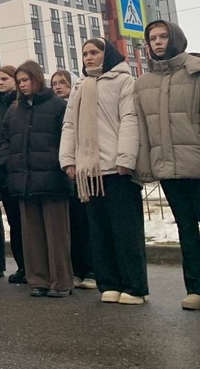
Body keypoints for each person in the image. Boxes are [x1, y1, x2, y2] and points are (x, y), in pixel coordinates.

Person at [61, 39, 146, 305]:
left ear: (106, 54)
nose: (88, 57)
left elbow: (130, 120)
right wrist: (68, 160)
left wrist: (126, 158)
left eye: (94, 52)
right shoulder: (80, 86)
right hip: (89, 172)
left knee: (126, 231)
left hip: (117, 169)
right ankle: (108, 283)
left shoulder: (124, 81)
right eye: (85, 53)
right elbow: (69, 126)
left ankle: (134, 288)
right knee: (98, 231)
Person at [134, 20, 200, 311]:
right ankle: (196, 289)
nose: (158, 42)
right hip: (169, 170)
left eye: (163, 36)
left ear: (176, 38)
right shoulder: (143, 83)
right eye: (153, 38)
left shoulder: (197, 72)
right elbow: (142, 129)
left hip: (198, 166)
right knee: (186, 230)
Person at [2, 61, 72, 298]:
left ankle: (61, 282)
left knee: (56, 235)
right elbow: (4, 140)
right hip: (24, 179)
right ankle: (38, 280)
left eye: (26, 80)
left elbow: (68, 138)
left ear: (36, 79)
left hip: (53, 179)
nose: (22, 85)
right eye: (19, 81)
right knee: (32, 235)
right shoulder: (15, 110)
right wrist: (10, 162)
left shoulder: (58, 105)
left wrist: (59, 162)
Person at [51, 70, 96, 291]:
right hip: (64, 171)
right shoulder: (53, 108)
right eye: (54, 84)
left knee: (85, 222)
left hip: (84, 169)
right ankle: (77, 269)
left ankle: (91, 269)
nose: (58, 87)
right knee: (72, 224)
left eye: (62, 83)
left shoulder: (78, 104)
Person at [0, 66, 24, 283]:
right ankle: (21, 266)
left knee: (26, 223)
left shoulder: (21, 105)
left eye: (5, 79)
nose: (0, 83)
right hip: (0, 174)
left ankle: (33, 266)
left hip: (19, 171)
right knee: (13, 222)